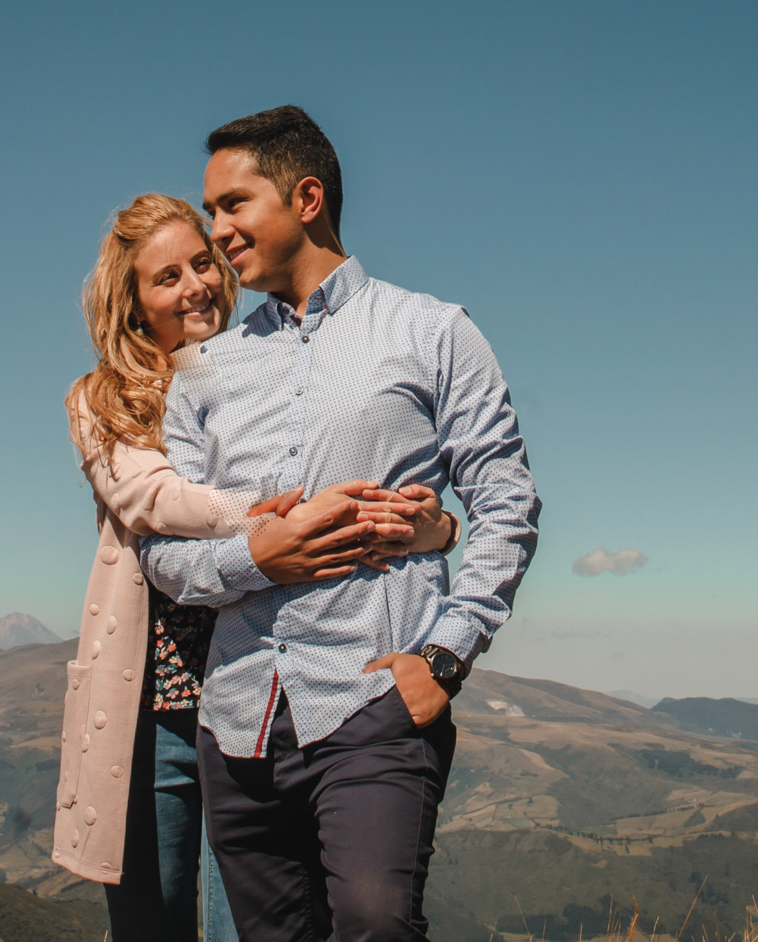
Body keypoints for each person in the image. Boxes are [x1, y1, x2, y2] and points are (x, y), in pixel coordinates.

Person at [137, 106, 542, 942]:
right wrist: (259, 554)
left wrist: (444, 656)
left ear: (307, 196)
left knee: (375, 923)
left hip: (370, 706)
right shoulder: (206, 371)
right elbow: (165, 554)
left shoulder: (432, 332)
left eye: (233, 205)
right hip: (238, 721)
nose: (218, 232)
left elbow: (506, 501)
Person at [52, 192, 459, 942]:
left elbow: (362, 475)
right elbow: (154, 497)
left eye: (202, 263)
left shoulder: (267, 368)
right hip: (160, 704)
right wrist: (274, 516)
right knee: (155, 923)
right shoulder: (103, 400)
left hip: (269, 698)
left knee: (260, 924)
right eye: (166, 277)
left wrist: (432, 529)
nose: (196, 285)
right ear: (133, 301)